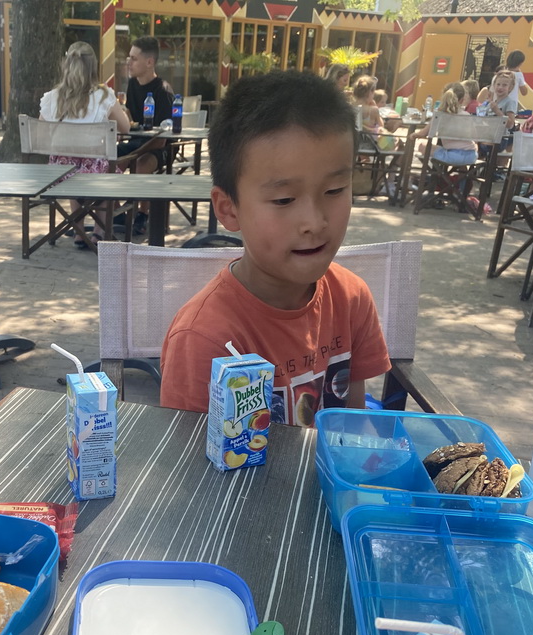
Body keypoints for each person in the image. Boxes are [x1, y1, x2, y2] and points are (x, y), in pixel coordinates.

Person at [160, 70, 390, 426]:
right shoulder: (204, 338)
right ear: (228, 209)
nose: (314, 221)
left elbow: (352, 427)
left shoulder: (351, 298)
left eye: (334, 191)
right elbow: (187, 470)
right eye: (284, 199)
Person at [40, 42, 130, 248]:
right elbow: (126, 127)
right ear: (93, 68)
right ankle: (99, 232)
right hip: (95, 177)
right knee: (102, 166)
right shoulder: (104, 96)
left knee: (71, 162)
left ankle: (78, 229)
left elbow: (42, 131)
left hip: (59, 175)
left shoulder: (52, 98)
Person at [117, 36, 173, 234]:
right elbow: (132, 121)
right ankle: (116, 213)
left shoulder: (163, 91)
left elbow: (163, 138)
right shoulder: (132, 85)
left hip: (162, 147)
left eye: (133, 58)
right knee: (106, 161)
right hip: (136, 142)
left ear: (149, 62)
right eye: (128, 57)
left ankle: (142, 214)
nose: (128, 62)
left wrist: (134, 154)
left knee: (140, 164)